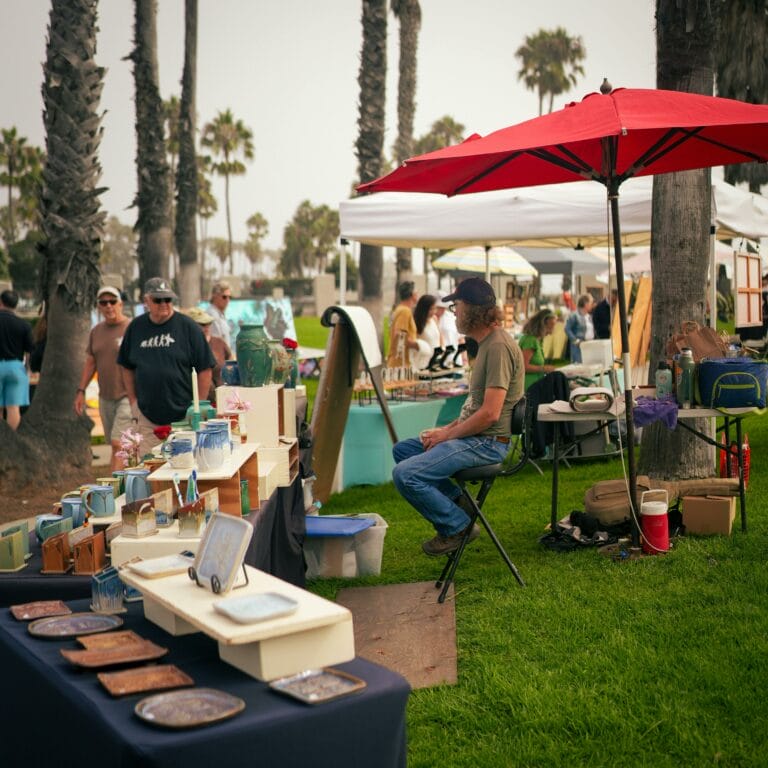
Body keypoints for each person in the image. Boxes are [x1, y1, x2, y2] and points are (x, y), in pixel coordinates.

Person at [392, 277, 524, 557]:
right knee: (403, 450)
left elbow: (490, 414)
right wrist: (445, 430)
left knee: (406, 474)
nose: (454, 314)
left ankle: (456, 526)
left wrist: (447, 435)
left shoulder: (498, 346)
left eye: (457, 306)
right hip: (478, 437)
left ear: (474, 310)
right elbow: (475, 407)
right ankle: (460, 503)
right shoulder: (487, 343)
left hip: (489, 442)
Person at [118, 278, 216, 451]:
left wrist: (198, 406)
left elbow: (205, 368)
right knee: (151, 468)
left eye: (168, 299)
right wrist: (133, 402)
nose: (164, 304)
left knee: (184, 467)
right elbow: (126, 366)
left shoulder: (188, 327)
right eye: (158, 300)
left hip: (184, 416)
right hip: (148, 417)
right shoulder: (136, 327)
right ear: (146, 300)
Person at [74, 286, 132, 471]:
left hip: (128, 396)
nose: (108, 306)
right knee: (116, 446)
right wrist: (81, 390)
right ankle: (127, 484)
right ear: (98, 306)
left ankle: (114, 490)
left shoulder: (132, 328)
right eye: (103, 302)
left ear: (120, 303)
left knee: (118, 443)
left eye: (112, 301)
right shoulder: (96, 331)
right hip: (105, 396)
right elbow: (91, 362)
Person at [0, 288, 33, 430]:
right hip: (16, 367)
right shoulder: (24, 325)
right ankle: (12, 445)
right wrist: (27, 369)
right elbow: (29, 350)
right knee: (13, 408)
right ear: (15, 305)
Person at [184, 306, 232, 401]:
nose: (206, 327)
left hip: (220, 400)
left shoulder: (219, 343)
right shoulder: (183, 346)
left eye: (208, 323)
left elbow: (231, 361)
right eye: (202, 324)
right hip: (194, 402)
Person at [519, 309, 557, 389]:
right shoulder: (530, 340)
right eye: (550, 328)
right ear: (543, 325)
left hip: (536, 385)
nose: (550, 333)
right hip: (528, 386)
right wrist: (544, 368)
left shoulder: (537, 340)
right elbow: (523, 366)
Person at [386, 281, 420, 367]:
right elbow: (399, 335)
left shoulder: (400, 309)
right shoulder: (405, 311)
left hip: (400, 362)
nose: (418, 294)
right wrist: (417, 345)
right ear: (412, 294)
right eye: (417, 292)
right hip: (400, 364)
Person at [412, 294, 442, 370]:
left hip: (437, 360)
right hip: (423, 362)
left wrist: (442, 351)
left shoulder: (434, 319)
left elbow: (440, 337)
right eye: (431, 309)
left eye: (435, 309)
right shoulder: (416, 322)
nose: (434, 312)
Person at [565, 293, 596, 363]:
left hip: (589, 346)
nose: (592, 305)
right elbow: (567, 329)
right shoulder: (574, 315)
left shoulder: (589, 316)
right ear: (585, 303)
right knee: (579, 366)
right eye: (591, 303)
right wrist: (576, 341)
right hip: (578, 347)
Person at [207, 281, 232, 347]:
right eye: (224, 297)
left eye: (230, 297)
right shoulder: (212, 314)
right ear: (215, 296)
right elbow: (217, 343)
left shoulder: (220, 314)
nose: (228, 300)